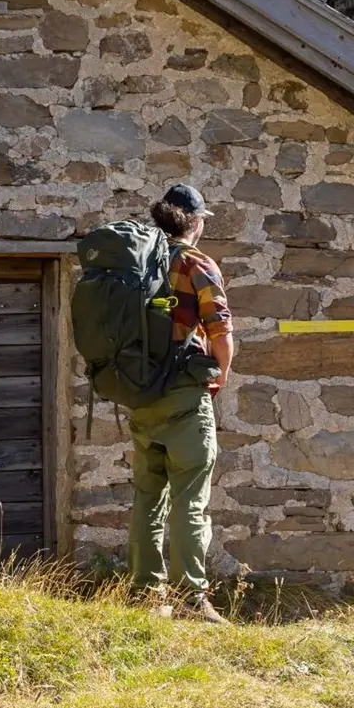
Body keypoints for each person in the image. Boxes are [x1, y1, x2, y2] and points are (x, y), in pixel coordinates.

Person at [128, 184, 234, 624]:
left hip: (141, 396)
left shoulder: (136, 264)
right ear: (195, 220)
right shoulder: (195, 263)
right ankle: (192, 598)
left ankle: (144, 597)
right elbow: (221, 329)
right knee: (190, 498)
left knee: (147, 498)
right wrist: (223, 372)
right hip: (185, 397)